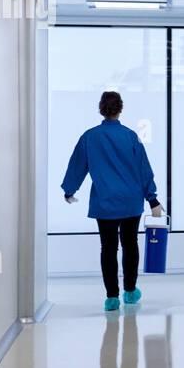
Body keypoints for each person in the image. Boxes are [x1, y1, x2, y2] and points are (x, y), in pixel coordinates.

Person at [61, 91, 163, 311]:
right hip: (130, 201)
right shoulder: (130, 136)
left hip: (105, 202)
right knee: (130, 244)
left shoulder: (90, 137)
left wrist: (69, 190)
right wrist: (152, 199)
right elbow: (143, 169)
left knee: (108, 248)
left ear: (101, 109)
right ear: (120, 109)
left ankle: (112, 297)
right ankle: (130, 291)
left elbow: (77, 165)